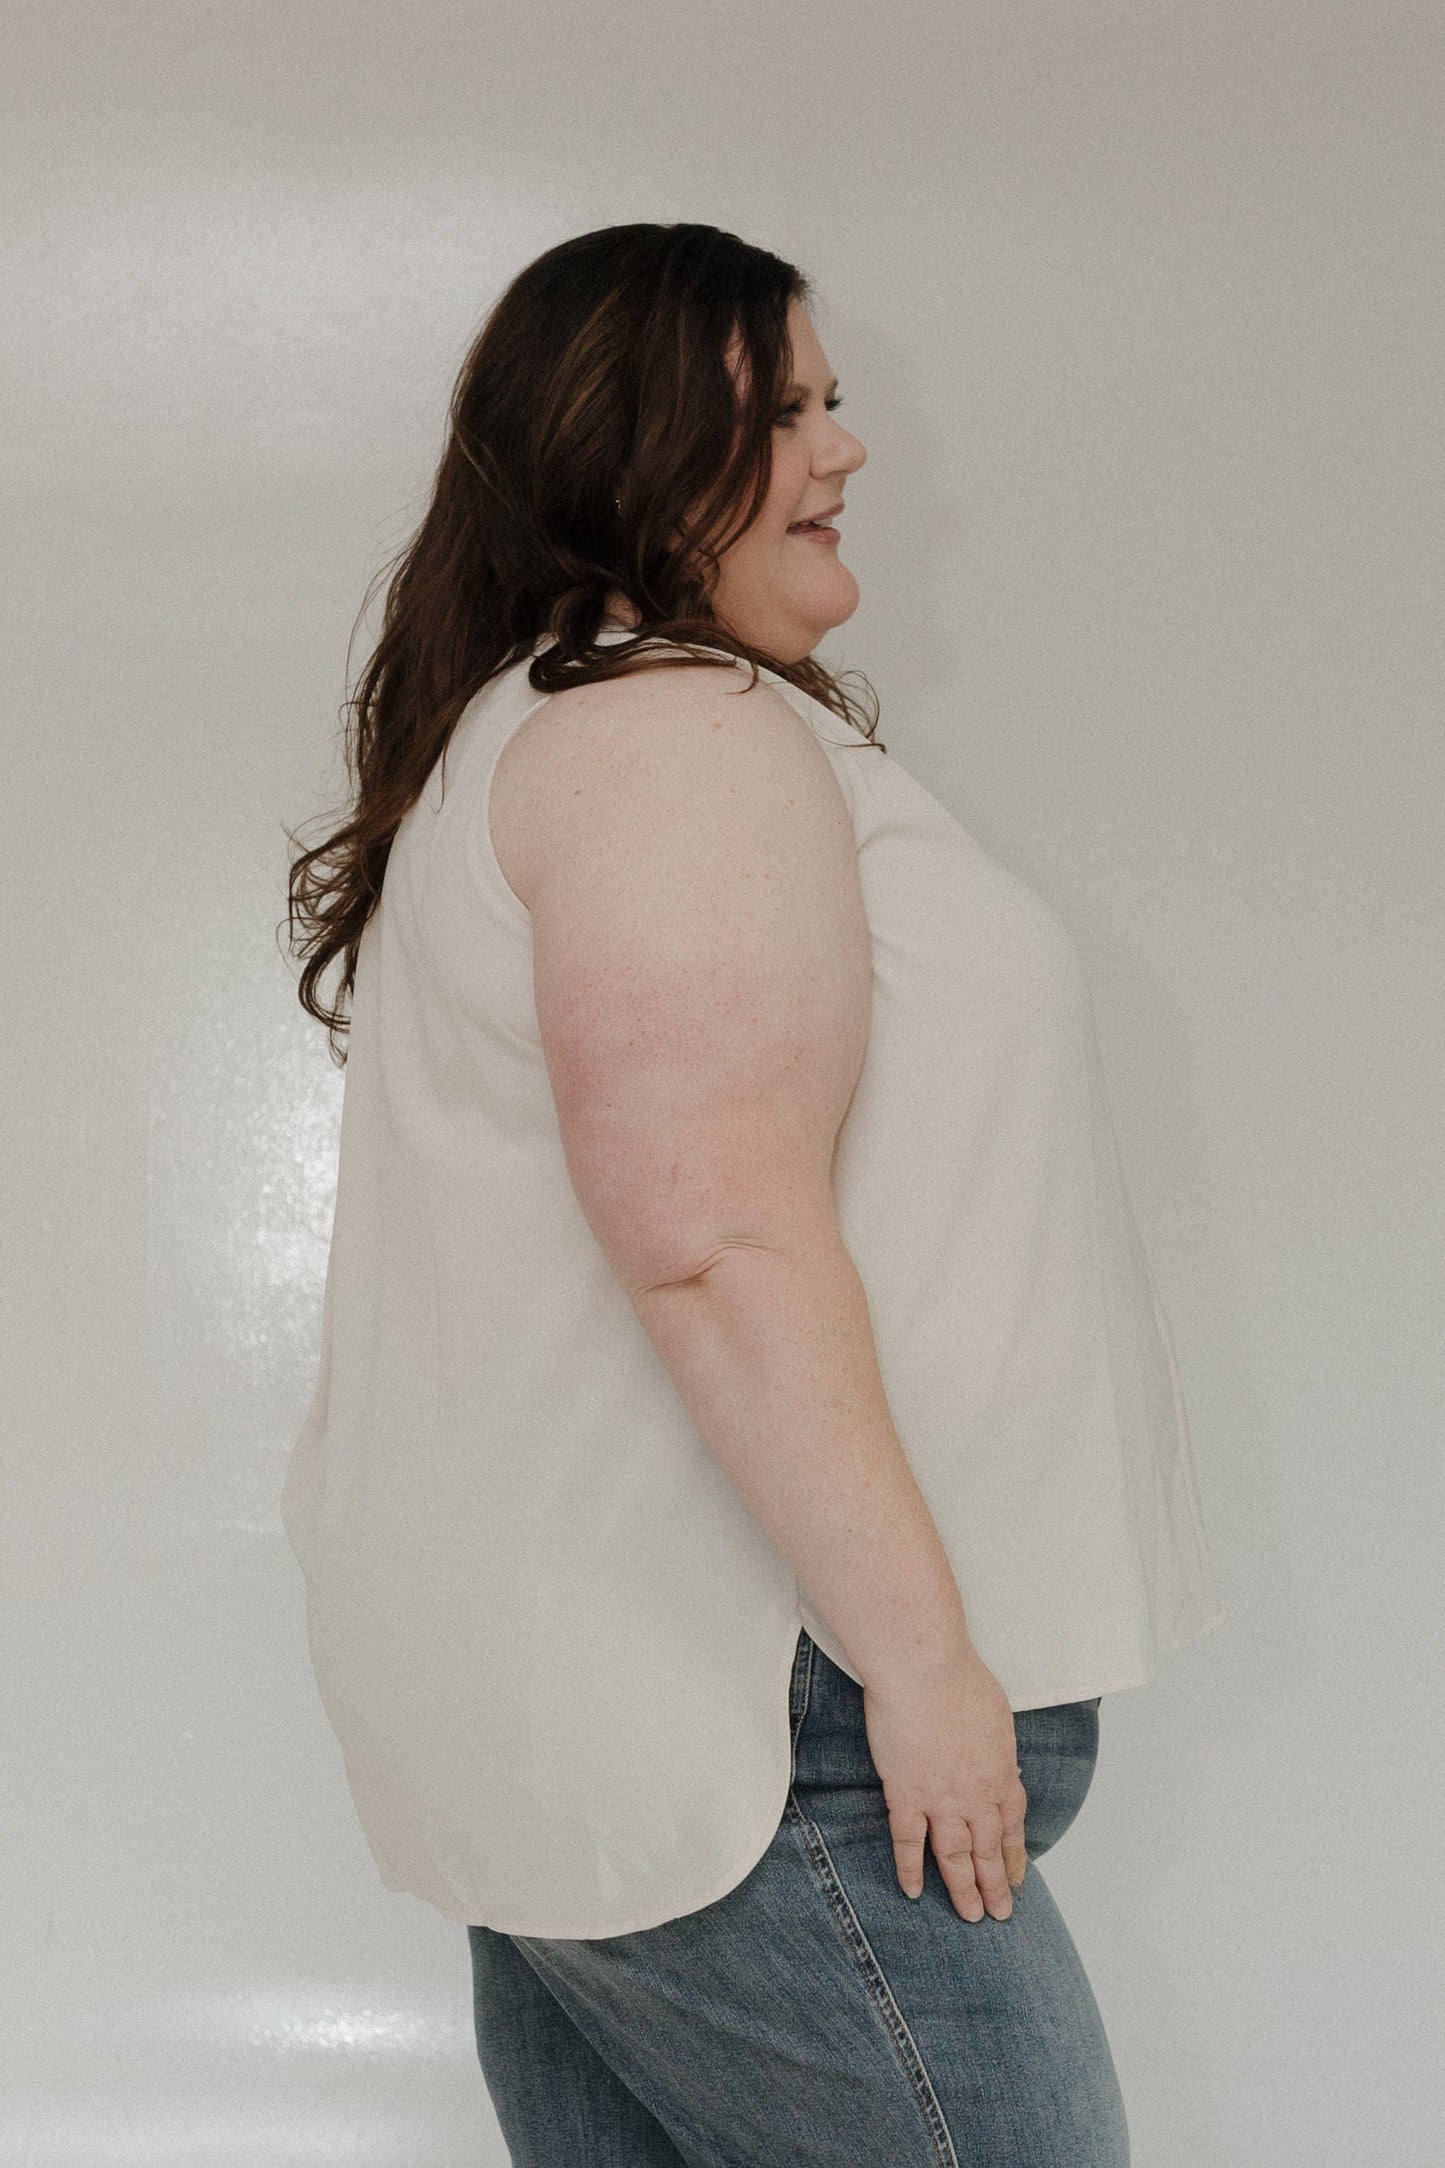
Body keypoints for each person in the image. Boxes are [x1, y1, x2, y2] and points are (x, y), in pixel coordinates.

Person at [282, 221, 1228, 2165]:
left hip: (656, 1706)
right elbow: (710, 1233)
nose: (844, 449)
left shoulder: (582, 732)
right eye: (784, 409)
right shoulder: (655, 735)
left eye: (831, 400)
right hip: (754, 1717)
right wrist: (925, 1656)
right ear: (634, 453)